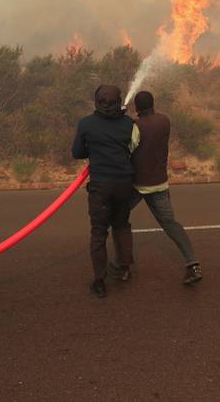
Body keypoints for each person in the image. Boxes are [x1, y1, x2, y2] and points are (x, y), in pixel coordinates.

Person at [113, 90, 203, 284]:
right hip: (160, 183)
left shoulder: (136, 126)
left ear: (136, 107)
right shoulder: (165, 121)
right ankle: (193, 264)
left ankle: (123, 263)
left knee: (118, 218)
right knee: (170, 224)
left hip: (138, 184)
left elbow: (127, 148)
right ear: (153, 104)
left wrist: (121, 121)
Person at [71, 84, 136, 298]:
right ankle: (125, 268)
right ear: (118, 102)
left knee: (99, 231)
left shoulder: (86, 124)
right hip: (124, 184)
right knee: (121, 225)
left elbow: (78, 152)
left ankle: (99, 280)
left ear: (96, 101)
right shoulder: (128, 123)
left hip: (100, 186)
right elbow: (134, 147)